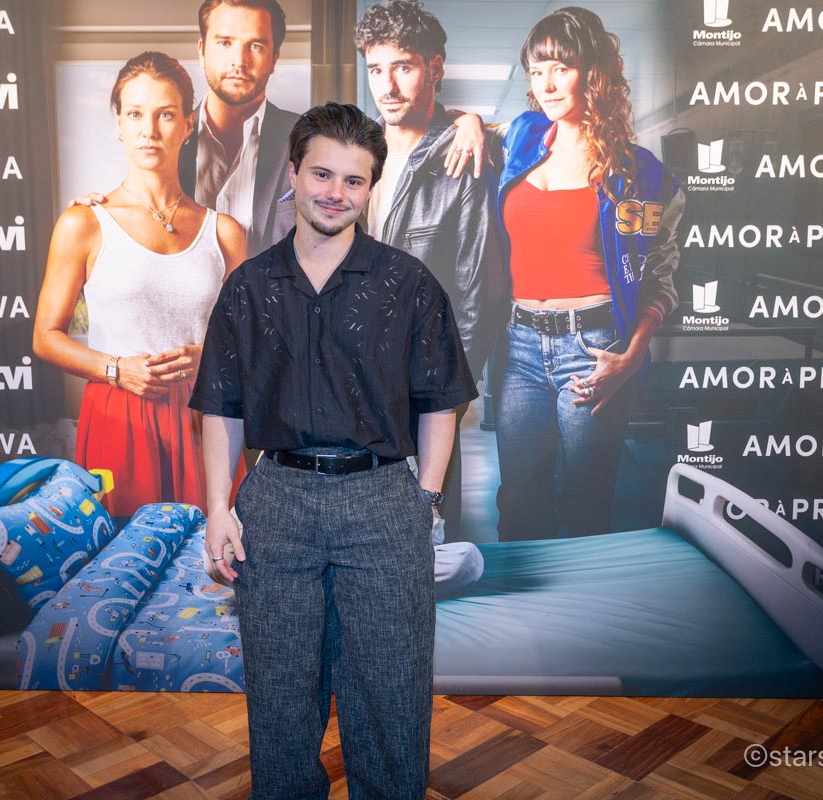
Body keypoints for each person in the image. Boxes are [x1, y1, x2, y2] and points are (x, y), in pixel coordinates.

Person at [190, 102, 477, 798]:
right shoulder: (248, 287)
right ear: (292, 172)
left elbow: (441, 399)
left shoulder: (407, 284)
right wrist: (218, 510)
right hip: (277, 500)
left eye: (354, 180)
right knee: (280, 691)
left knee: (390, 688)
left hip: (382, 498)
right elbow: (222, 407)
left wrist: (425, 498)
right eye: (322, 173)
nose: (335, 193)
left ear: (370, 188)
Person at [495, 7, 684, 540]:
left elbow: (661, 277)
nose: (546, 84)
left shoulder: (639, 173)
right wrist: (465, 123)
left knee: (586, 504)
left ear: (592, 73)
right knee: (518, 502)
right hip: (519, 348)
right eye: (536, 71)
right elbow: (470, 132)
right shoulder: (521, 138)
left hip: (593, 348)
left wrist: (632, 356)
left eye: (560, 68)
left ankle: (582, 598)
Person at [34, 52, 246, 517]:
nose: (149, 130)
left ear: (188, 125)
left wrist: (210, 359)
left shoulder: (225, 233)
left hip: (203, 417)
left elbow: (251, 343)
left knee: (216, 553)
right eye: (135, 114)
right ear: (119, 124)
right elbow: (45, 337)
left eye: (165, 114)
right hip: (118, 415)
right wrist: (116, 369)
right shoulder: (83, 223)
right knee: (119, 554)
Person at [354, 0, 503, 542]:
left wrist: (448, 397)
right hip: (355, 374)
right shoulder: (356, 150)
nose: (388, 86)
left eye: (404, 67)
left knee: (429, 537)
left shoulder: (462, 159)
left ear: (435, 68)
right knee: (361, 535)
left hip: (424, 383)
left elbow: (476, 293)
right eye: (376, 69)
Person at [182, 0, 301, 257]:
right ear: (202, 51)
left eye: (256, 46)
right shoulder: (168, 139)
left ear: (274, 58)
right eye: (225, 43)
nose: (239, 61)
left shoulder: (310, 140)